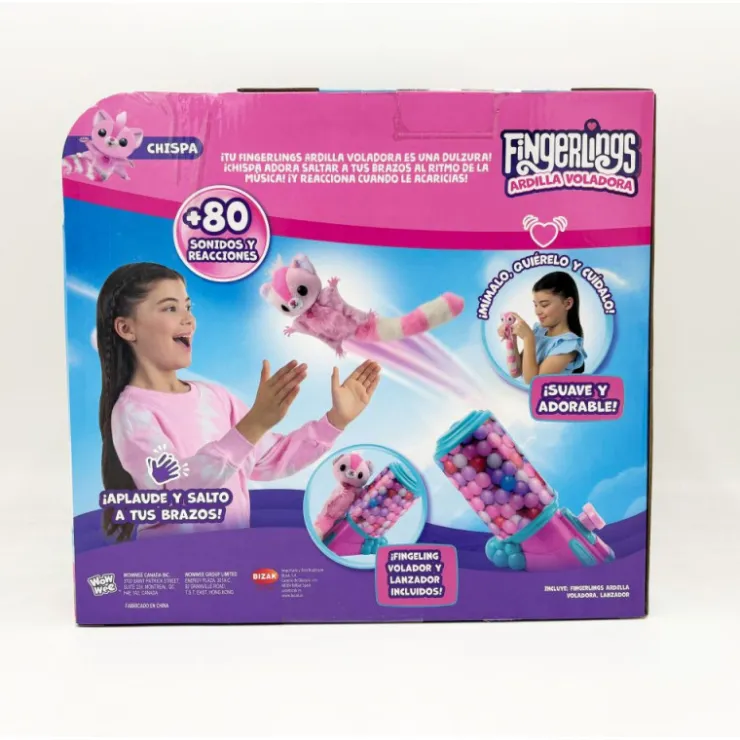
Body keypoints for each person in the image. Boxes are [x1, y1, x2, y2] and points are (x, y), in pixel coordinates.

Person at [96, 262, 381, 541]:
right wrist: (253, 425)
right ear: (126, 328)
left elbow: (271, 457)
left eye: (188, 307)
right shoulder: (133, 412)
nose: (189, 320)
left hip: (232, 557)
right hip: (175, 563)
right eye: (171, 308)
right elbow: (173, 491)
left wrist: (335, 421)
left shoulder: (215, 397)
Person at [500, 271, 586, 384]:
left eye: (544, 305)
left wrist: (528, 338)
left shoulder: (568, 346)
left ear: (567, 303)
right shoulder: (539, 331)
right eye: (535, 305)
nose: (537, 311)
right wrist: (511, 338)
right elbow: (517, 372)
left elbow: (533, 382)